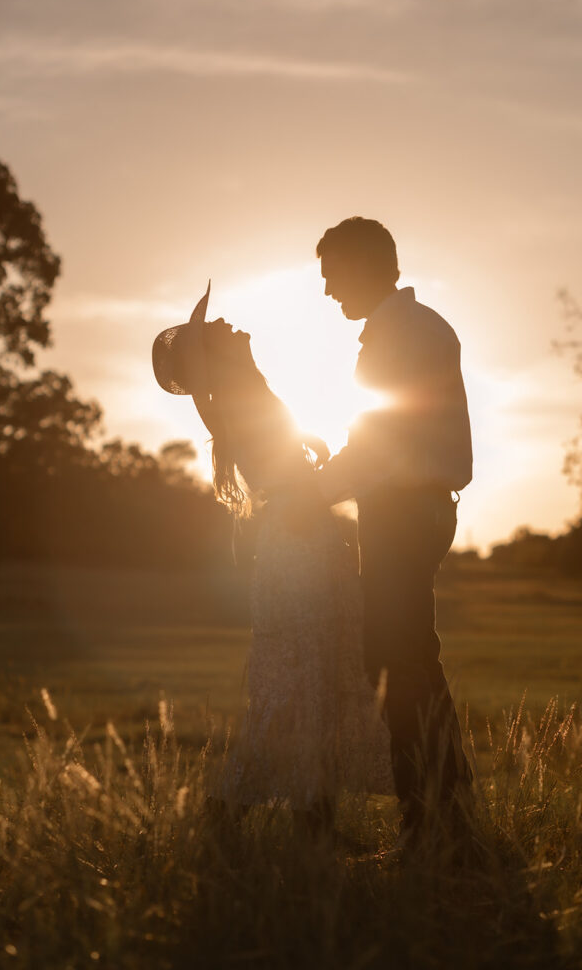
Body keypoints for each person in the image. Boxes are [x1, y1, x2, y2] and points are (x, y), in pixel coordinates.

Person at [152, 284, 393, 838]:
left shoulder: (248, 389)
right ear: (214, 355)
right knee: (301, 682)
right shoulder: (242, 393)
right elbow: (276, 472)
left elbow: (272, 457)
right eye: (217, 330)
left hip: (301, 540)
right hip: (299, 544)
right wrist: (320, 476)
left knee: (321, 676)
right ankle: (230, 813)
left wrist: (307, 445)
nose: (229, 326)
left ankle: (312, 819)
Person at [315, 217, 473, 848]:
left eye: (332, 276)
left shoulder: (399, 335)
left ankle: (429, 819)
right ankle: (446, 808)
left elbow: (378, 445)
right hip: (416, 507)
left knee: (396, 662)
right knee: (410, 659)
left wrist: (309, 493)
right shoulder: (411, 327)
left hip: (406, 512)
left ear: (364, 266)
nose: (328, 292)